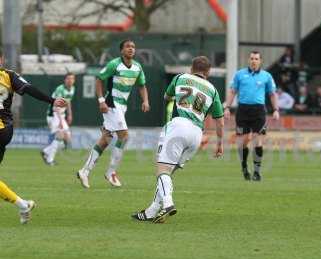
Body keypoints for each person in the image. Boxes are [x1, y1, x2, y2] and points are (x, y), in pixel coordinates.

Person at [131, 56, 224, 223]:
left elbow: (166, 97)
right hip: (196, 134)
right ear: (208, 72)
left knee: (162, 170)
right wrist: (219, 144)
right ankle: (152, 210)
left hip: (178, 126)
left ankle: (168, 203)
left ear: (191, 68)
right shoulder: (213, 90)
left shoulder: (180, 78)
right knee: (168, 174)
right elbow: (220, 120)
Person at [0, 53, 66, 223]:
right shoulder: (10, 75)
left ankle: (23, 204)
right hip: (6, 130)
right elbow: (29, 89)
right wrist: (51, 100)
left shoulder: (9, 76)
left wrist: (52, 101)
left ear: (2, 59)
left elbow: (28, 89)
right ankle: (23, 205)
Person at [77, 39, 150, 188]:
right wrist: (101, 100)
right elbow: (99, 80)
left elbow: (142, 85)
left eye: (133, 47)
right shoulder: (114, 64)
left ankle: (85, 171)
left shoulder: (137, 67)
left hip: (122, 106)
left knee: (106, 140)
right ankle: (111, 172)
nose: (131, 49)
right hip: (112, 104)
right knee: (124, 136)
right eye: (128, 46)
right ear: (121, 50)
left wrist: (145, 101)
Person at [224, 51, 279, 181]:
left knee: (257, 140)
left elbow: (272, 94)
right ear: (249, 60)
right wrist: (227, 107)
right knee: (243, 141)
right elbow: (233, 91)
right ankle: (244, 167)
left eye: (256, 59)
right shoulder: (239, 75)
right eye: (252, 58)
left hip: (259, 111)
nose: (254, 61)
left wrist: (276, 109)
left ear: (260, 61)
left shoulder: (266, 76)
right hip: (242, 110)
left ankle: (257, 172)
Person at [41, 73, 75, 165]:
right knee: (60, 135)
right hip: (54, 115)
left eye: (72, 79)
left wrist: (70, 115)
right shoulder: (60, 89)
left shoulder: (72, 89)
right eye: (68, 78)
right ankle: (50, 160)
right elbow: (56, 107)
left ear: (74, 80)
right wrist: (60, 121)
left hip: (61, 115)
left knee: (67, 139)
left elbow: (68, 102)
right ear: (65, 79)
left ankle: (46, 151)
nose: (70, 80)